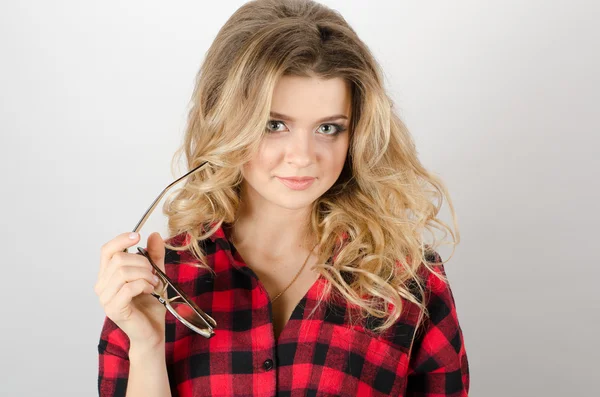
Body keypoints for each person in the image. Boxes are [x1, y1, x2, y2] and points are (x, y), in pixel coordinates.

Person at [95, 0, 470, 396]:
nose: (303, 156)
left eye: (328, 128)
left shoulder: (407, 281)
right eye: (275, 125)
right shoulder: (157, 283)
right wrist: (148, 346)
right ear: (226, 121)